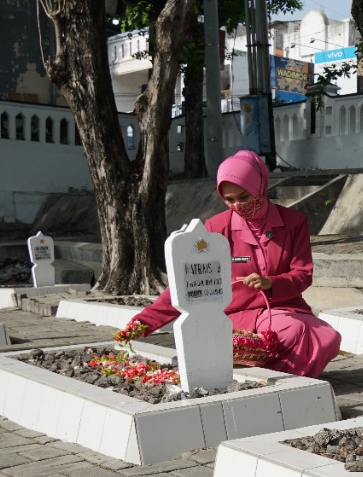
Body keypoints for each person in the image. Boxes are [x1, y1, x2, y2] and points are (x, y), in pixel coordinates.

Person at [126, 150, 341, 378]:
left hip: (284, 308)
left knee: (328, 338)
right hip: (237, 314)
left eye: (244, 197)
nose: (237, 205)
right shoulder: (216, 227)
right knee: (296, 331)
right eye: (229, 200)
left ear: (260, 186)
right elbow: (187, 283)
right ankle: (283, 384)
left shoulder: (293, 222)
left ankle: (280, 381)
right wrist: (140, 324)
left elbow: (302, 274)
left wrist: (271, 282)